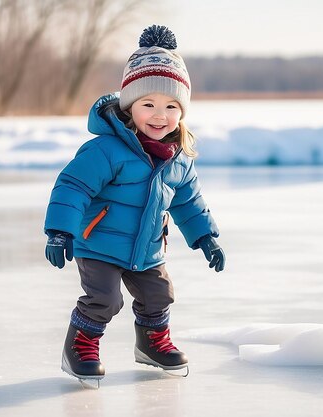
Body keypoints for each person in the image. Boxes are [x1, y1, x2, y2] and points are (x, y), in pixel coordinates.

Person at [43, 25, 225, 386]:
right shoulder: (106, 150)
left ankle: (152, 344)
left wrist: (206, 237)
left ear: (182, 112)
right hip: (98, 244)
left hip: (148, 248)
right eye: (149, 104)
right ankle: (80, 346)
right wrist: (59, 231)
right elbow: (73, 186)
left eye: (172, 106)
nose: (160, 115)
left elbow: (189, 202)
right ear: (130, 106)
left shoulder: (179, 158)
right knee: (104, 299)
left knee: (159, 294)